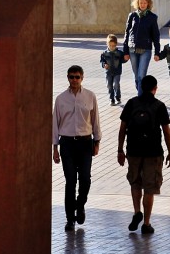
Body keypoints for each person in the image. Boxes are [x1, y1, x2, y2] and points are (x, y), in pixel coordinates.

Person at [117, 75, 170, 235]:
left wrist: (120, 150)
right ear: (155, 88)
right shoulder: (159, 106)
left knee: (135, 183)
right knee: (150, 187)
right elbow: (166, 131)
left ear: (141, 87)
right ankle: (146, 223)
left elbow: (122, 128)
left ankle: (137, 212)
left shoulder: (131, 103)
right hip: (153, 152)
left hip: (133, 151)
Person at [52, 65, 102, 231]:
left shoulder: (90, 96)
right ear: (67, 78)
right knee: (70, 181)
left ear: (82, 78)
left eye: (77, 77)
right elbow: (55, 124)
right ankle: (69, 219)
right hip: (67, 143)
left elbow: (95, 120)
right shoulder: (60, 99)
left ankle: (80, 205)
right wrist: (55, 148)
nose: (74, 80)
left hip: (85, 143)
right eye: (71, 77)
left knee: (85, 179)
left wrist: (97, 142)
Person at [123, 0, 161, 95]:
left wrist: (157, 52)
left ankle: (140, 99)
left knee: (141, 76)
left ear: (148, 4)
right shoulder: (132, 16)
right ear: (137, 3)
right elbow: (127, 33)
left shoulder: (152, 17)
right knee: (136, 77)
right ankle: (142, 93)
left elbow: (156, 36)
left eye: (145, 3)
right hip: (132, 49)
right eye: (141, 3)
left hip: (145, 50)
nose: (142, 5)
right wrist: (125, 51)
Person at [100, 34, 125, 105]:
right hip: (108, 72)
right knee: (109, 85)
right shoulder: (104, 53)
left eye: (113, 46)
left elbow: (123, 60)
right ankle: (111, 99)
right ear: (107, 44)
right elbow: (102, 61)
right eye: (110, 45)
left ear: (116, 44)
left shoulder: (119, 53)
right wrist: (104, 64)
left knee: (116, 84)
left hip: (117, 72)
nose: (112, 47)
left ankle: (118, 97)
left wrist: (126, 58)